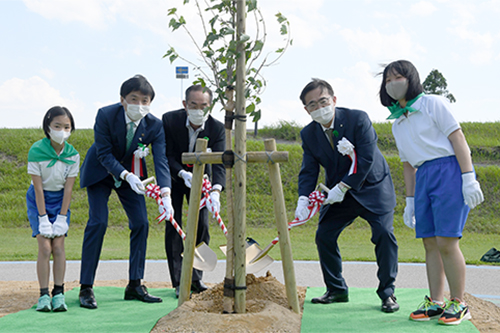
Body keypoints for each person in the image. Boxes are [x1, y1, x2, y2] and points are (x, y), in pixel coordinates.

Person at [379, 60, 484, 325]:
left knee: (447, 241)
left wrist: (468, 177)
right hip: (423, 174)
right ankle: (436, 302)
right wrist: (410, 201)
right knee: (429, 242)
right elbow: (407, 165)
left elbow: (457, 138)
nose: (393, 84)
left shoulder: (432, 103)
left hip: (448, 170)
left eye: (398, 77)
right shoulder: (397, 123)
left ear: (411, 79)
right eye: (388, 80)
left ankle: (459, 302)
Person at [295, 78, 399, 313]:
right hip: (338, 194)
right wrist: (303, 198)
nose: (319, 107)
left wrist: (343, 187)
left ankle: (387, 293)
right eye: (312, 104)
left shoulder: (357, 119)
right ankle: (336, 289)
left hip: (373, 187)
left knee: (383, 234)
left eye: (323, 101)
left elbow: (366, 159)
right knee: (324, 235)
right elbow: (309, 169)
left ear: (333, 99)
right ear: (306, 109)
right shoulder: (308, 134)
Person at [78, 75, 173, 309]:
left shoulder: (155, 125)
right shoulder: (105, 115)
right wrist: (126, 175)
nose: (139, 105)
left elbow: (161, 160)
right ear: (122, 99)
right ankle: (86, 287)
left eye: (145, 100)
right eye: (134, 99)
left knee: (141, 223)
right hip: (102, 173)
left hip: (133, 177)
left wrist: (166, 193)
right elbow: (103, 154)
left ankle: (135, 284)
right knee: (98, 222)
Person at [162, 85, 225, 298]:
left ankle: (196, 279)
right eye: (193, 105)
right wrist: (182, 173)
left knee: (202, 226)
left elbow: (220, 162)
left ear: (210, 106)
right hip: (175, 177)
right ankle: (179, 281)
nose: (198, 110)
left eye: (203, 106)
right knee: (174, 226)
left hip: (202, 181)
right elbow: (167, 155)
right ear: (185, 105)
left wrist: (216, 190)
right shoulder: (170, 121)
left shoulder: (217, 128)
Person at [27, 106, 79, 312]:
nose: (62, 130)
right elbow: (38, 188)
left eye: (67, 127)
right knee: (45, 247)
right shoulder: (36, 151)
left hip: (60, 201)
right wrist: (42, 218)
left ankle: (59, 293)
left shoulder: (73, 154)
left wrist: (62, 216)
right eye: (57, 126)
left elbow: (68, 189)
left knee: (58, 247)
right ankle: (43, 295)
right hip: (38, 200)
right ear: (48, 127)